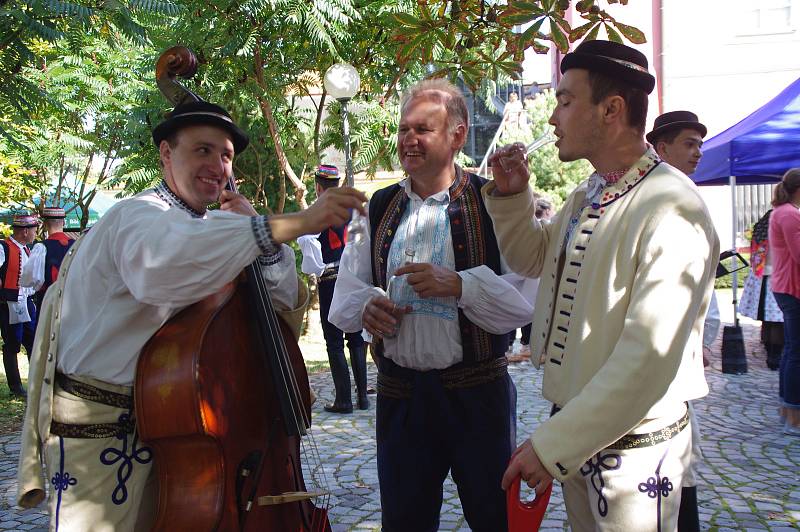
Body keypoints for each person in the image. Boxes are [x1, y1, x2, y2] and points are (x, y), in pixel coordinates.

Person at [16, 99, 366, 530]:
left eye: (225, 155)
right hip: (105, 441)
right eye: (202, 150)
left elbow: (283, 302)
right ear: (166, 153)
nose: (217, 166)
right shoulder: (138, 215)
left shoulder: (210, 229)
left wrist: (261, 235)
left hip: (175, 434)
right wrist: (281, 225)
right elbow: (162, 267)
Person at [486, 40, 719, 531]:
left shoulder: (672, 207)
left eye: (566, 101)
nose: (553, 119)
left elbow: (646, 359)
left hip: (637, 457)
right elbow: (535, 258)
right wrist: (513, 197)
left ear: (611, 109)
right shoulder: (588, 195)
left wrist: (551, 446)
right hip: (579, 437)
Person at [329, 78, 533, 531]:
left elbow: (524, 303)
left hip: (478, 397)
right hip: (401, 398)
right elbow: (343, 297)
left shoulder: (493, 202)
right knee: (404, 522)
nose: (408, 140)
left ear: (458, 135)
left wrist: (460, 286)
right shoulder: (378, 207)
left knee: (494, 518)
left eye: (423, 129)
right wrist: (367, 308)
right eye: (404, 129)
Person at [648, 110, 719, 531]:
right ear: (662, 147)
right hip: (654, 368)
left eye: (699, 145)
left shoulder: (684, 196)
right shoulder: (656, 198)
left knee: (679, 477)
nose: (697, 153)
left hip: (672, 371)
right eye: (689, 144)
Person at [297, 164, 368, 413]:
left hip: (330, 278)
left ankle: (343, 400)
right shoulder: (352, 209)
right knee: (356, 336)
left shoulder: (318, 212)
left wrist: (316, 269)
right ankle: (363, 397)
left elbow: (309, 250)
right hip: (353, 276)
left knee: (334, 340)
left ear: (318, 187)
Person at [768, 168, 800, 436]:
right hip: (792, 288)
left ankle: (789, 407)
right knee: (796, 351)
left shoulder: (785, 211)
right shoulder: (789, 214)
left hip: (787, 287)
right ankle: (792, 409)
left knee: (792, 349)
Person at [1, 213, 40, 397]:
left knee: (33, 341)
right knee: (12, 344)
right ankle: (15, 387)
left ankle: (37, 382)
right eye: (34, 230)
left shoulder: (26, 250)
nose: (35, 233)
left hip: (27, 301)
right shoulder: (4, 247)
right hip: (10, 302)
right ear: (25, 231)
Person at [740, 209, 784, 370]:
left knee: (768, 319)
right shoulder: (777, 234)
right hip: (776, 277)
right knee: (777, 321)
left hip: (761, 278)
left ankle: (770, 352)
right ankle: (775, 357)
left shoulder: (760, 233)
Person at [22, 206, 76, 311]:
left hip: (48, 301)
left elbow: (29, 280)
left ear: (45, 225)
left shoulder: (41, 247)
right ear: (64, 222)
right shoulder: (76, 245)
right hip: (72, 300)